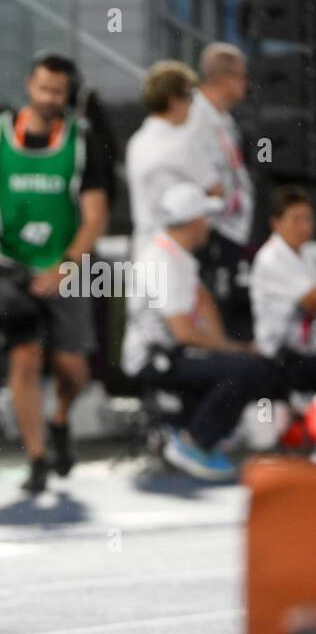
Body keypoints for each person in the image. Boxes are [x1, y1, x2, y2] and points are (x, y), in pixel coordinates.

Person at [0, 51, 110, 494]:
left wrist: (67, 267)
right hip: (12, 269)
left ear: (67, 95)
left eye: (58, 91)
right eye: (43, 87)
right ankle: (36, 457)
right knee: (24, 360)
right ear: (30, 85)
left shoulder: (81, 140)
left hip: (64, 269)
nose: (49, 97)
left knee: (73, 371)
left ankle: (61, 417)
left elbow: (95, 215)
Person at [122, 183, 273, 481]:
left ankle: (191, 432)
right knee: (246, 368)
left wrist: (227, 346)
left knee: (247, 364)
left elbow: (203, 307)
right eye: (205, 217)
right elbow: (184, 333)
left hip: (172, 353)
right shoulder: (163, 261)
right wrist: (236, 351)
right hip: (155, 361)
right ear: (193, 221)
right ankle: (194, 442)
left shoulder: (174, 254)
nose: (209, 225)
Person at [187, 42, 254, 340]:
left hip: (232, 228)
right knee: (216, 307)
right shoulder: (196, 116)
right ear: (224, 77)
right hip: (212, 231)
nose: (245, 84)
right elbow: (201, 178)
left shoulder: (224, 119)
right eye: (241, 76)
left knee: (230, 307)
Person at [126, 61, 215, 257]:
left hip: (144, 248)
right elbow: (217, 191)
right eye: (190, 97)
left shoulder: (136, 142)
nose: (192, 107)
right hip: (176, 249)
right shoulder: (184, 144)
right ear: (174, 101)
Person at [250, 186, 316, 394]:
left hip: (305, 354)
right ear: (276, 223)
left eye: (307, 219)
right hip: (278, 359)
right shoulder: (271, 258)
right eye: (295, 219)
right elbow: (313, 302)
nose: (303, 226)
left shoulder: (308, 252)